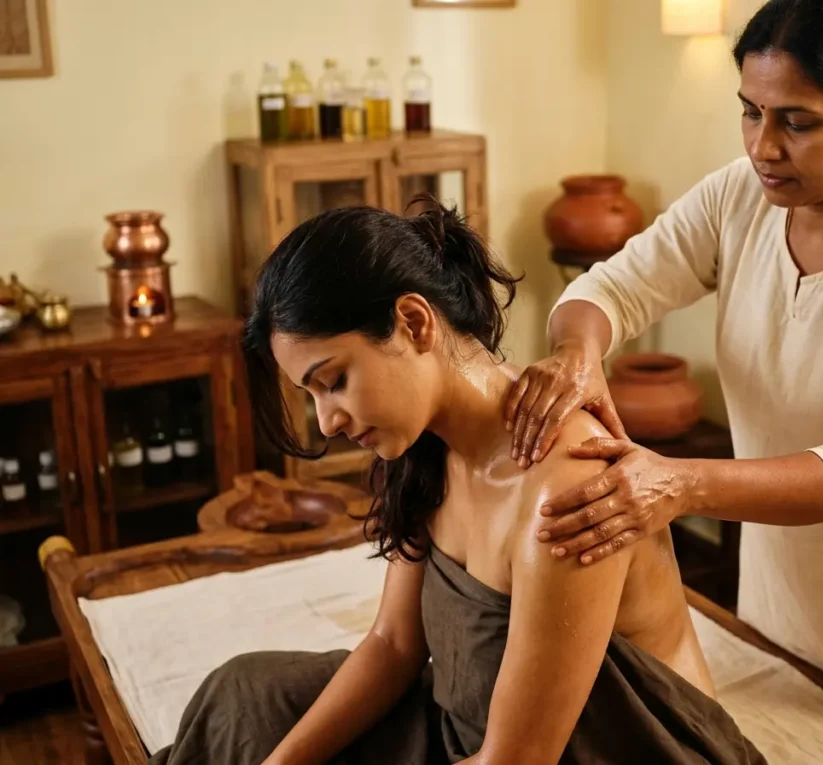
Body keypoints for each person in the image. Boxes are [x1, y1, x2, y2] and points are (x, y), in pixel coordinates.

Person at [505, 0, 823, 762]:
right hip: (781, 584)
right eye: (750, 113)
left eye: (797, 122)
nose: (763, 146)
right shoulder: (738, 198)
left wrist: (679, 483)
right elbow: (609, 289)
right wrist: (578, 353)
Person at [148, 200, 766, 765]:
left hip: (607, 753)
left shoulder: (567, 484)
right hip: (470, 732)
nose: (328, 422)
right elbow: (393, 645)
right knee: (244, 699)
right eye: (311, 395)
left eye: (333, 381)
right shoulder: (423, 448)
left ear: (414, 322)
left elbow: (514, 762)